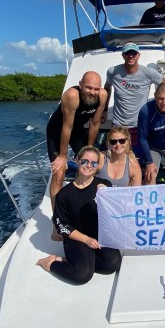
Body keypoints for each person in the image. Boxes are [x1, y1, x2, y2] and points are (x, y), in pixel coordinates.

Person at [36, 146, 122, 285]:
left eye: (94, 163)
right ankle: (50, 263)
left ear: (97, 166)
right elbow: (61, 226)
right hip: (76, 238)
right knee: (82, 276)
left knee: (111, 265)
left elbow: (116, 212)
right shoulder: (64, 194)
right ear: (77, 161)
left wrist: (108, 196)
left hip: (99, 236)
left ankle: (78, 261)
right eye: (84, 161)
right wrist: (86, 239)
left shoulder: (104, 185)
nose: (89, 165)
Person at [46, 71, 108, 221]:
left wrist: (90, 149)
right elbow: (66, 127)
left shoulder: (102, 95)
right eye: (88, 88)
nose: (92, 92)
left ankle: (87, 203)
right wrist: (62, 156)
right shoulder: (72, 96)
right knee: (59, 172)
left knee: (93, 164)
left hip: (77, 131)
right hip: (57, 132)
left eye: (96, 88)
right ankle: (58, 217)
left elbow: (94, 123)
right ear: (80, 85)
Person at [104, 43, 165, 140]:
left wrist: (159, 104)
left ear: (138, 55)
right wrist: (104, 110)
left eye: (134, 53)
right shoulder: (113, 71)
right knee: (116, 153)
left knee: (138, 155)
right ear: (123, 55)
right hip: (118, 125)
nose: (131, 56)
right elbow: (107, 88)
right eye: (128, 53)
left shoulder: (148, 73)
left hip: (139, 125)